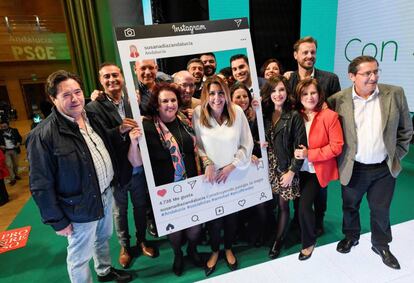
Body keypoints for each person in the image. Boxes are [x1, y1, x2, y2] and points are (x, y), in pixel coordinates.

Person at [26, 70, 134, 283]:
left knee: (103, 238)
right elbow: (40, 185)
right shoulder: (43, 135)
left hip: (104, 194)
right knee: (79, 257)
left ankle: (104, 271)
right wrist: (57, 221)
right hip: (78, 207)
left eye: (77, 92)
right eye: (66, 95)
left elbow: (103, 142)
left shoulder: (90, 116)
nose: (75, 99)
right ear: (53, 98)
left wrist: (119, 130)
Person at [328, 55, 412, 270]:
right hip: (353, 168)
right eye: (367, 73)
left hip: (383, 169)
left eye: (376, 71)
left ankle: (381, 245)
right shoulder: (337, 100)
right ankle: (351, 237)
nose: (373, 77)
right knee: (350, 206)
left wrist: (396, 154)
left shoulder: (395, 94)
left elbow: (406, 130)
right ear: (352, 76)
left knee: (381, 210)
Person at [85, 63, 156, 269]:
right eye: (106, 77)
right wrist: (120, 129)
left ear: (123, 77)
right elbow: (97, 139)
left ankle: (142, 240)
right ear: (101, 80)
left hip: (140, 166)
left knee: (141, 207)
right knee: (120, 211)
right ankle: (125, 247)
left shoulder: (133, 101)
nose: (111, 79)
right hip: (116, 171)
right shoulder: (93, 107)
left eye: (115, 75)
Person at [130, 83, 203, 276]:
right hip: (166, 189)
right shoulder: (146, 127)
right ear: (156, 104)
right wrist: (132, 141)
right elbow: (136, 162)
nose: (170, 104)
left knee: (195, 227)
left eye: (173, 100)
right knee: (176, 229)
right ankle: (178, 254)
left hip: (193, 183)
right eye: (165, 101)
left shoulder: (185, 121)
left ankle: (192, 250)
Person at [192, 75, 253, 276]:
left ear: (226, 94)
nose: (216, 98)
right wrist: (208, 164)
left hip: (233, 175)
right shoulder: (198, 113)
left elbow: (247, 144)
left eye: (220, 93)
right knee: (214, 219)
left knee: (231, 217)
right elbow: (198, 145)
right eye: (212, 93)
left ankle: (228, 248)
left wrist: (232, 166)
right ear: (205, 95)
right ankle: (215, 251)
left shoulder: (237, 112)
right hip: (211, 178)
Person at [287, 36, 341, 236]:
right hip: (297, 144)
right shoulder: (289, 79)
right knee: (298, 186)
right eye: (305, 52)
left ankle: (318, 221)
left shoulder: (330, 79)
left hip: (321, 145)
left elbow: (336, 110)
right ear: (296, 55)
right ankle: (298, 219)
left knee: (320, 189)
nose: (309, 56)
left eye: (312, 52)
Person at [293, 78, 343, 260]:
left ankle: (308, 242)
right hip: (298, 170)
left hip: (317, 169)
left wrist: (310, 154)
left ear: (320, 94)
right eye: (305, 94)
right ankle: (313, 226)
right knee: (302, 204)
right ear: (299, 96)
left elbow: (336, 146)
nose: (309, 97)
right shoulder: (295, 115)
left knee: (305, 206)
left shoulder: (329, 116)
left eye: (313, 93)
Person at [261, 75, 307, 259]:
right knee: (268, 203)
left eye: (281, 89)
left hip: (285, 167)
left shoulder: (294, 116)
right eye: (273, 90)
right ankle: (270, 233)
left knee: (283, 205)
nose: (278, 94)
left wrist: (291, 172)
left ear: (287, 92)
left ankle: (278, 241)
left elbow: (300, 147)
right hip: (268, 166)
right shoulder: (264, 114)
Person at [230, 82, 266, 245]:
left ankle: (261, 232)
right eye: (238, 97)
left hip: (255, 167)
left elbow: (259, 140)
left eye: (245, 96)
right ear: (231, 99)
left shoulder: (256, 116)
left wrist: (261, 146)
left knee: (259, 203)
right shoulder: (227, 119)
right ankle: (237, 231)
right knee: (237, 205)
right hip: (235, 167)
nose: (242, 99)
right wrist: (246, 155)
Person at [0, 119, 22, 186]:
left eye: (5, 126)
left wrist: (18, 142)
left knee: (16, 164)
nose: (4, 128)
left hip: (14, 149)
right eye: (2, 127)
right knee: (9, 165)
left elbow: (19, 138)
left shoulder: (14, 130)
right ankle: (12, 178)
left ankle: (16, 175)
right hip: (6, 151)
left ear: (8, 125)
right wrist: (0, 145)